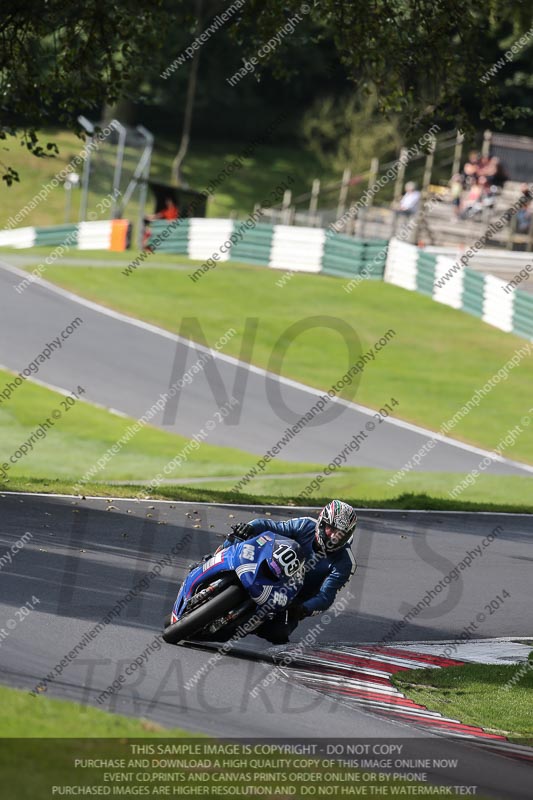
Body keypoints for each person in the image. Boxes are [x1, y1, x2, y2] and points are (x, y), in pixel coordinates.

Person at [215, 500, 358, 644]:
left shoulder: (346, 562)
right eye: (331, 529)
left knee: (279, 633)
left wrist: (304, 609)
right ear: (322, 522)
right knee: (242, 534)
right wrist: (250, 527)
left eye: (340, 533)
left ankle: (246, 625)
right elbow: (271, 526)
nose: (334, 536)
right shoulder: (305, 525)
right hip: (269, 566)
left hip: (291, 598)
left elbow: (326, 596)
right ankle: (214, 558)